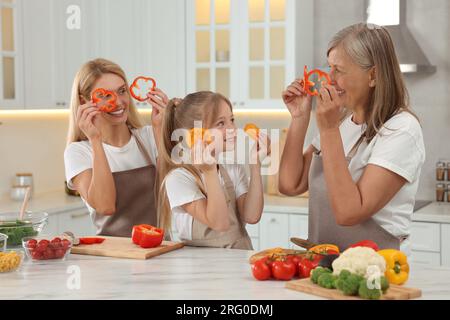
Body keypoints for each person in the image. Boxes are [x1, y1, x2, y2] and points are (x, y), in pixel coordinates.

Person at [279, 23, 425, 254]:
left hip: (376, 272)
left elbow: (349, 212)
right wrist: (300, 117)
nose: (329, 78)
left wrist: (328, 130)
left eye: (339, 70)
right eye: (329, 68)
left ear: (373, 75)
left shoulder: (401, 130)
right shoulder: (343, 123)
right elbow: (290, 184)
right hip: (325, 265)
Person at [64, 58, 168, 236]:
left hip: (161, 248)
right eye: (105, 95)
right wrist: (95, 140)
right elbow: (105, 206)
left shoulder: (149, 136)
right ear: (84, 102)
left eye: (122, 91)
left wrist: (162, 130)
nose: (119, 102)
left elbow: (173, 193)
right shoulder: (79, 152)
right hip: (113, 256)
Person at [158, 91, 270, 249]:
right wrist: (210, 172)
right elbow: (220, 223)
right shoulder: (179, 178)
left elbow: (251, 216)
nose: (232, 128)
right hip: (202, 267)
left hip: (240, 258)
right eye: (221, 123)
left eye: (232, 120)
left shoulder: (233, 169)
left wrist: (255, 165)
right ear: (195, 134)